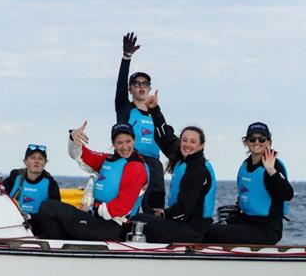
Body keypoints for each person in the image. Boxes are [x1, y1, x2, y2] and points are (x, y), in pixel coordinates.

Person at [36, 122, 148, 241]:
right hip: (97, 221)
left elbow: (123, 206)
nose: (125, 147)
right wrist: (73, 139)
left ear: (134, 140)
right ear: (113, 143)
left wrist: (94, 209)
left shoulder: (136, 166)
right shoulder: (108, 160)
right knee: (51, 212)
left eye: (128, 141)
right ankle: (55, 246)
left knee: (48, 207)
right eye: (119, 143)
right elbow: (80, 155)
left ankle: (53, 250)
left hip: (113, 228)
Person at [134, 91, 216, 243]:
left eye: (193, 141)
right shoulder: (182, 157)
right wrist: (154, 109)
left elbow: (185, 210)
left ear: (201, 145)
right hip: (180, 223)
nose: (187, 144)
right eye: (185, 140)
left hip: (192, 230)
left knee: (139, 221)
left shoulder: (197, 170)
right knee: (140, 218)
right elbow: (164, 136)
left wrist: (163, 215)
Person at [204, 122, 293, 245]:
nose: (257, 142)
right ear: (246, 142)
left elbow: (288, 194)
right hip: (246, 221)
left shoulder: (274, 165)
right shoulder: (246, 165)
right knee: (204, 229)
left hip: (266, 229)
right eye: (252, 139)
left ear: (268, 142)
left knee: (213, 233)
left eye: (261, 139)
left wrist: (271, 171)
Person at [115, 32, 165, 215]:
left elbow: (166, 138)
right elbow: (120, 86)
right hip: (131, 161)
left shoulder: (156, 114)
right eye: (136, 84)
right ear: (130, 89)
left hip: (154, 166)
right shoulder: (125, 109)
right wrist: (126, 58)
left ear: (150, 88)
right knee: (130, 209)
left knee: (155, 210)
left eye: (145, 84)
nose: (141, 87)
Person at [2, 144, 61, 235]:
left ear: (45, 162)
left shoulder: (51, 184)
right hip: (10, 226)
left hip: (38, 230)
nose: (36, 161)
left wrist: (30, 217)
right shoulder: (14, 178)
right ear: (25, 161)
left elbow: (54, 212)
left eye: (40, 158)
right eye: (32, 157)